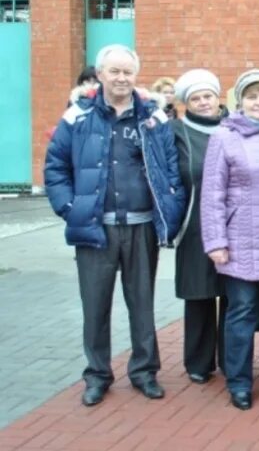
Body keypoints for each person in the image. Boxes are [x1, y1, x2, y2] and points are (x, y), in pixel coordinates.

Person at [44, 44, 185, 407]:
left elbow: (171, 168)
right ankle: (97, 375)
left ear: (136, 76)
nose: (121, 78)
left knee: (142, 304)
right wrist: (70, 208)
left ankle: (144, 372)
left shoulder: (154, 118)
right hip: (95, 229)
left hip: (141, 227)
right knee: (95, 306)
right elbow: (55, 168)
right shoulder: (77, 118)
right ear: (101, 74)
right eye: (114, 71)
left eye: (128, 72)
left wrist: (169, 208)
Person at [201, 70, 259, 411]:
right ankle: (239, 382)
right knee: (241, 313)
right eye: (252, 96)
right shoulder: (225, 137)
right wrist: (216, 242)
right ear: (240, 101)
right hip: (240, 240)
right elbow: (212, 194)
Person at [170, 69, 229, 385]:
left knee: (233, 296)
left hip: (233, 222)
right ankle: (198, 361)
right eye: (196, 98)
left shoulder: (235, 126)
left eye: (208, 96)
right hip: (194, 223)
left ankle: (231, 358)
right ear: (185, 103)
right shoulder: (176, 131)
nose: (204, 102)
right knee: (199, 295)